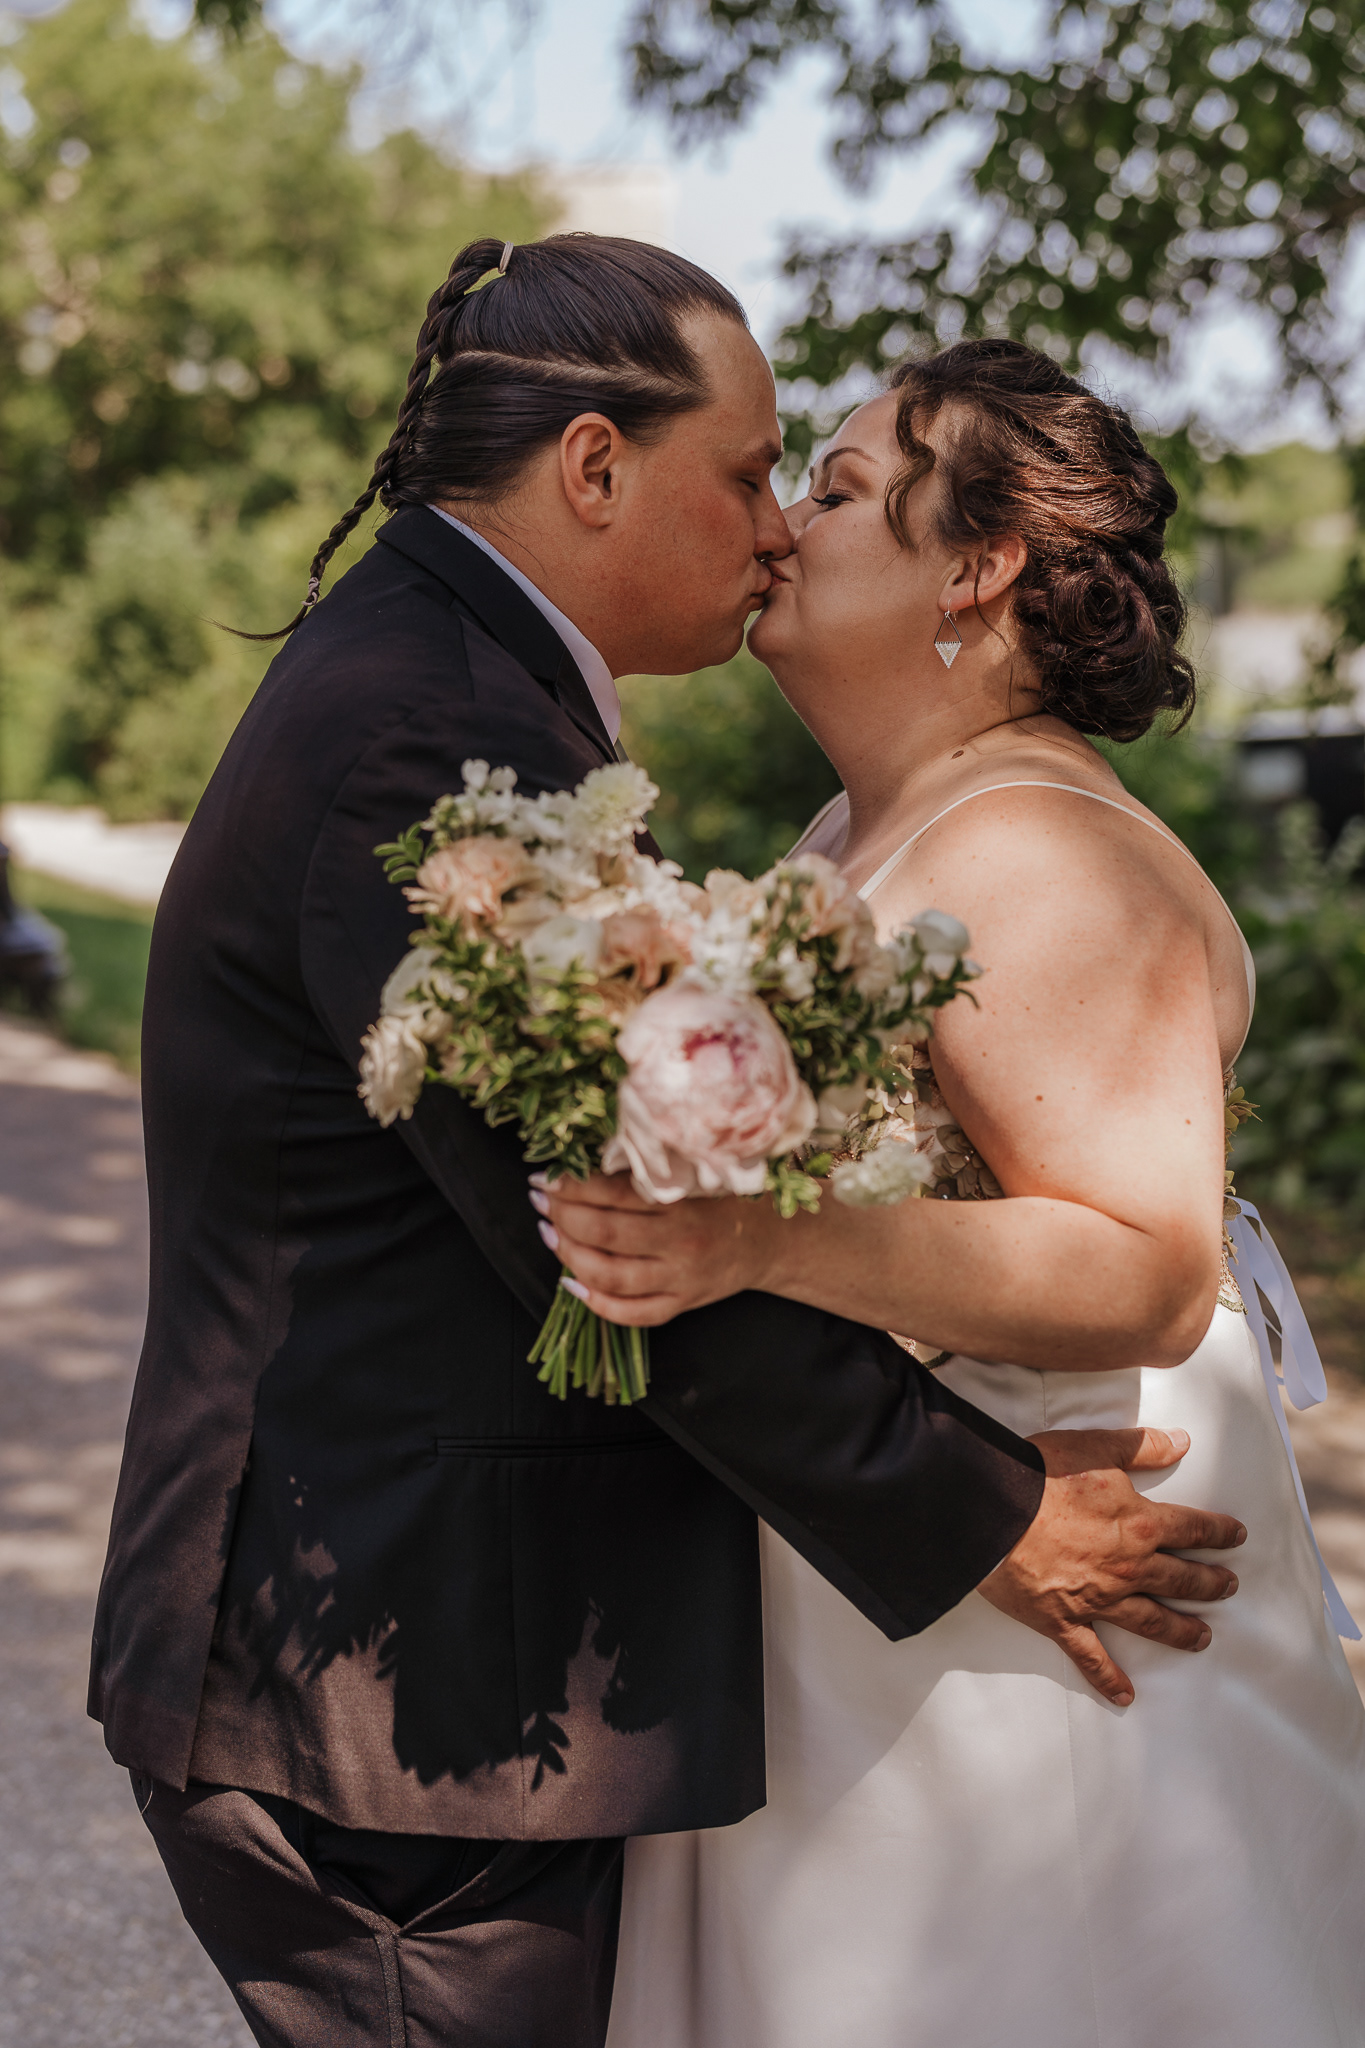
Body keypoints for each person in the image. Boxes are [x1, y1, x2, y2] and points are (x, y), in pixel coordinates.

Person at [90, 250, 1244, 2048]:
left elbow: (654, 1215)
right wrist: (989, 1516)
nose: (775, 528)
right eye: (757, 471)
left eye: (817, 484)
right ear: (591, 465)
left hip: (619, 1651)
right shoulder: (436, 728)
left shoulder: (464, 693)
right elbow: (593, 1220)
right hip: (408, 1682)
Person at [540, 338, 1365, 2048]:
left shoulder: (1041, 850)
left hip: (1052, 1620)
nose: (780, 525)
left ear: (975, 568)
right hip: (891, 1581)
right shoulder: (862, 827)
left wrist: (753, 1240)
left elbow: (1147, 1268)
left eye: (837, 490)